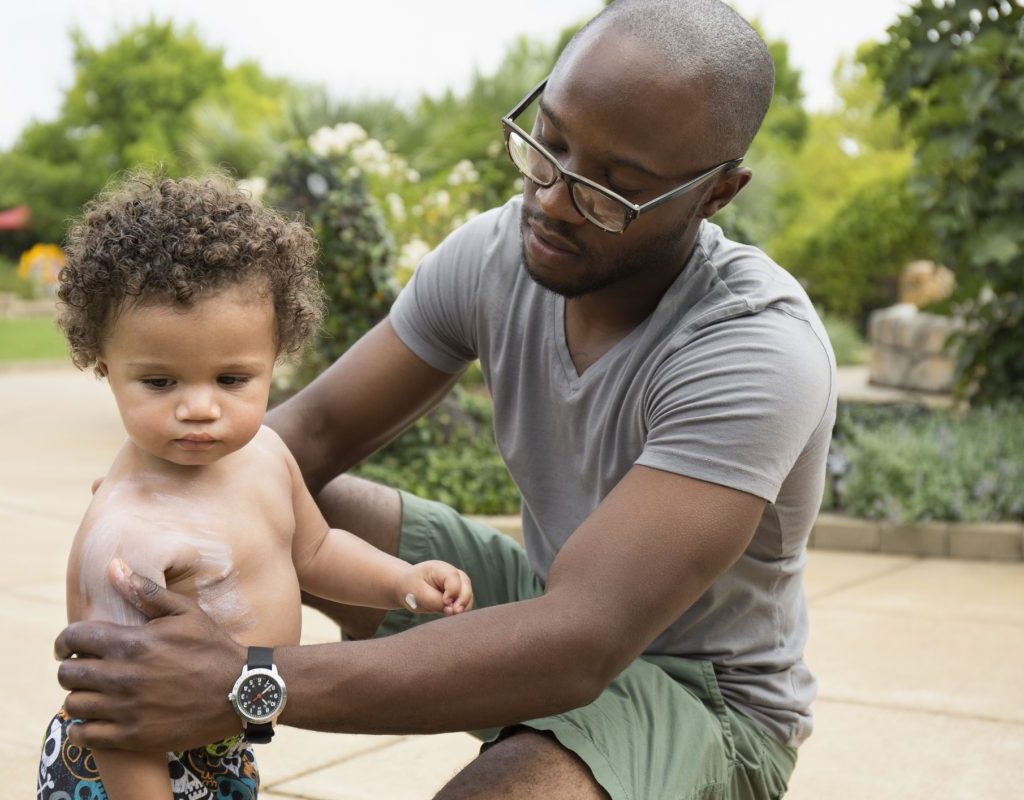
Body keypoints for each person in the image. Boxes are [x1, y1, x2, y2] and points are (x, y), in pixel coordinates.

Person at [53, 1, 838, 798]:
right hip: (545, 599)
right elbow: (309, 431)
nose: (554, 201)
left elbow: (583, 641)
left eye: (613, 190)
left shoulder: (753, 349)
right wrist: (149, 505)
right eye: (549, 145)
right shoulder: (502, 251)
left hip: (700, 696)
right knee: (270, 484)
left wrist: (247, 680)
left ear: (716, 194)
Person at [38, 173, 473, 800]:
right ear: (105, 367)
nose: (199, 408)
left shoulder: (265, 453)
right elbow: (113, 714)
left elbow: (315, 553)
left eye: (232, 379)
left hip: (219, 736)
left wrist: (397, 580)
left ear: (276, 359)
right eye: (160, 382)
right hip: (130, 769)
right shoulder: (128, 536)